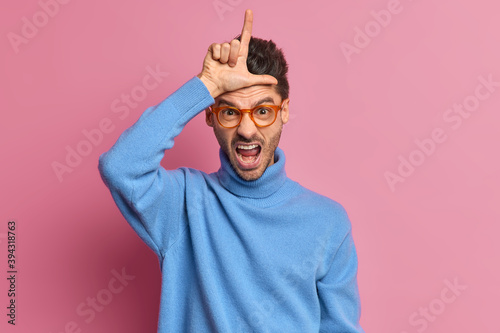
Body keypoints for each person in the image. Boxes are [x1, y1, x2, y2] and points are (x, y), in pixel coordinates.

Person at [98, 9, 364, 332]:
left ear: (284, 112)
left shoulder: (328, 222)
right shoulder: (182, 204)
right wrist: (204, 86)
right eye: (230, 112)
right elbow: (121, 166)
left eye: (263, 110)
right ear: (209, 115)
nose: (248, 130)